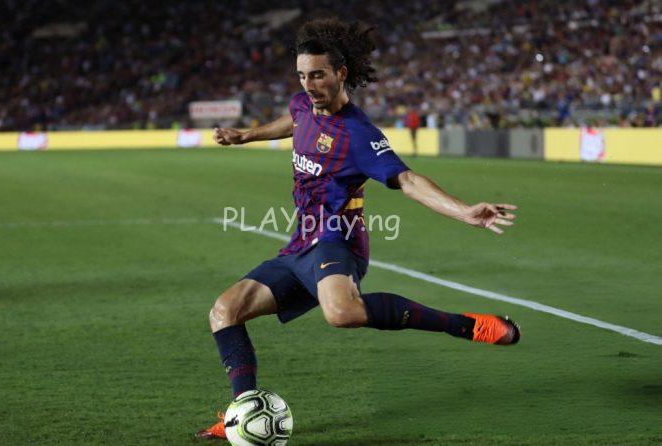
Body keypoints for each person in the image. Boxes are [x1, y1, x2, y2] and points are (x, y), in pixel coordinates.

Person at [197, 19, 519, 440]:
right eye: (302, 75)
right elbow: (292, 120)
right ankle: (243, 413)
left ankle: (466, 325)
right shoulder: (302, 104)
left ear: (341, 73)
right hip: (301, 241)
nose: (308, 85)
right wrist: (246, 136)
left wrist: (465, 212)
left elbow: (408, 180)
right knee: (224, 312)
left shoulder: (359, 134)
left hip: (338, 240)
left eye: (318, 75)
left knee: (341, 313)